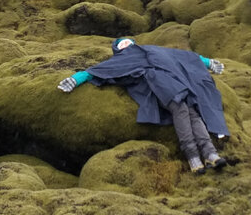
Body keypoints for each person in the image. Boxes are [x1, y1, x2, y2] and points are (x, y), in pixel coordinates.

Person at [58, 37, 229, 175]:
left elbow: (182, 57)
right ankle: (192, 156)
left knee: (193, 112)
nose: (125, 43)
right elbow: (96, 71)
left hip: (178, 82)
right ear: (117, 50)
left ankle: (210, 154)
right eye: (121, 43)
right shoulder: (122, 59)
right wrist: (75, 79)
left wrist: (208, 63)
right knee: (181, 109)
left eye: (127, 41)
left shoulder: (152, 49)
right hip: (161, 86)